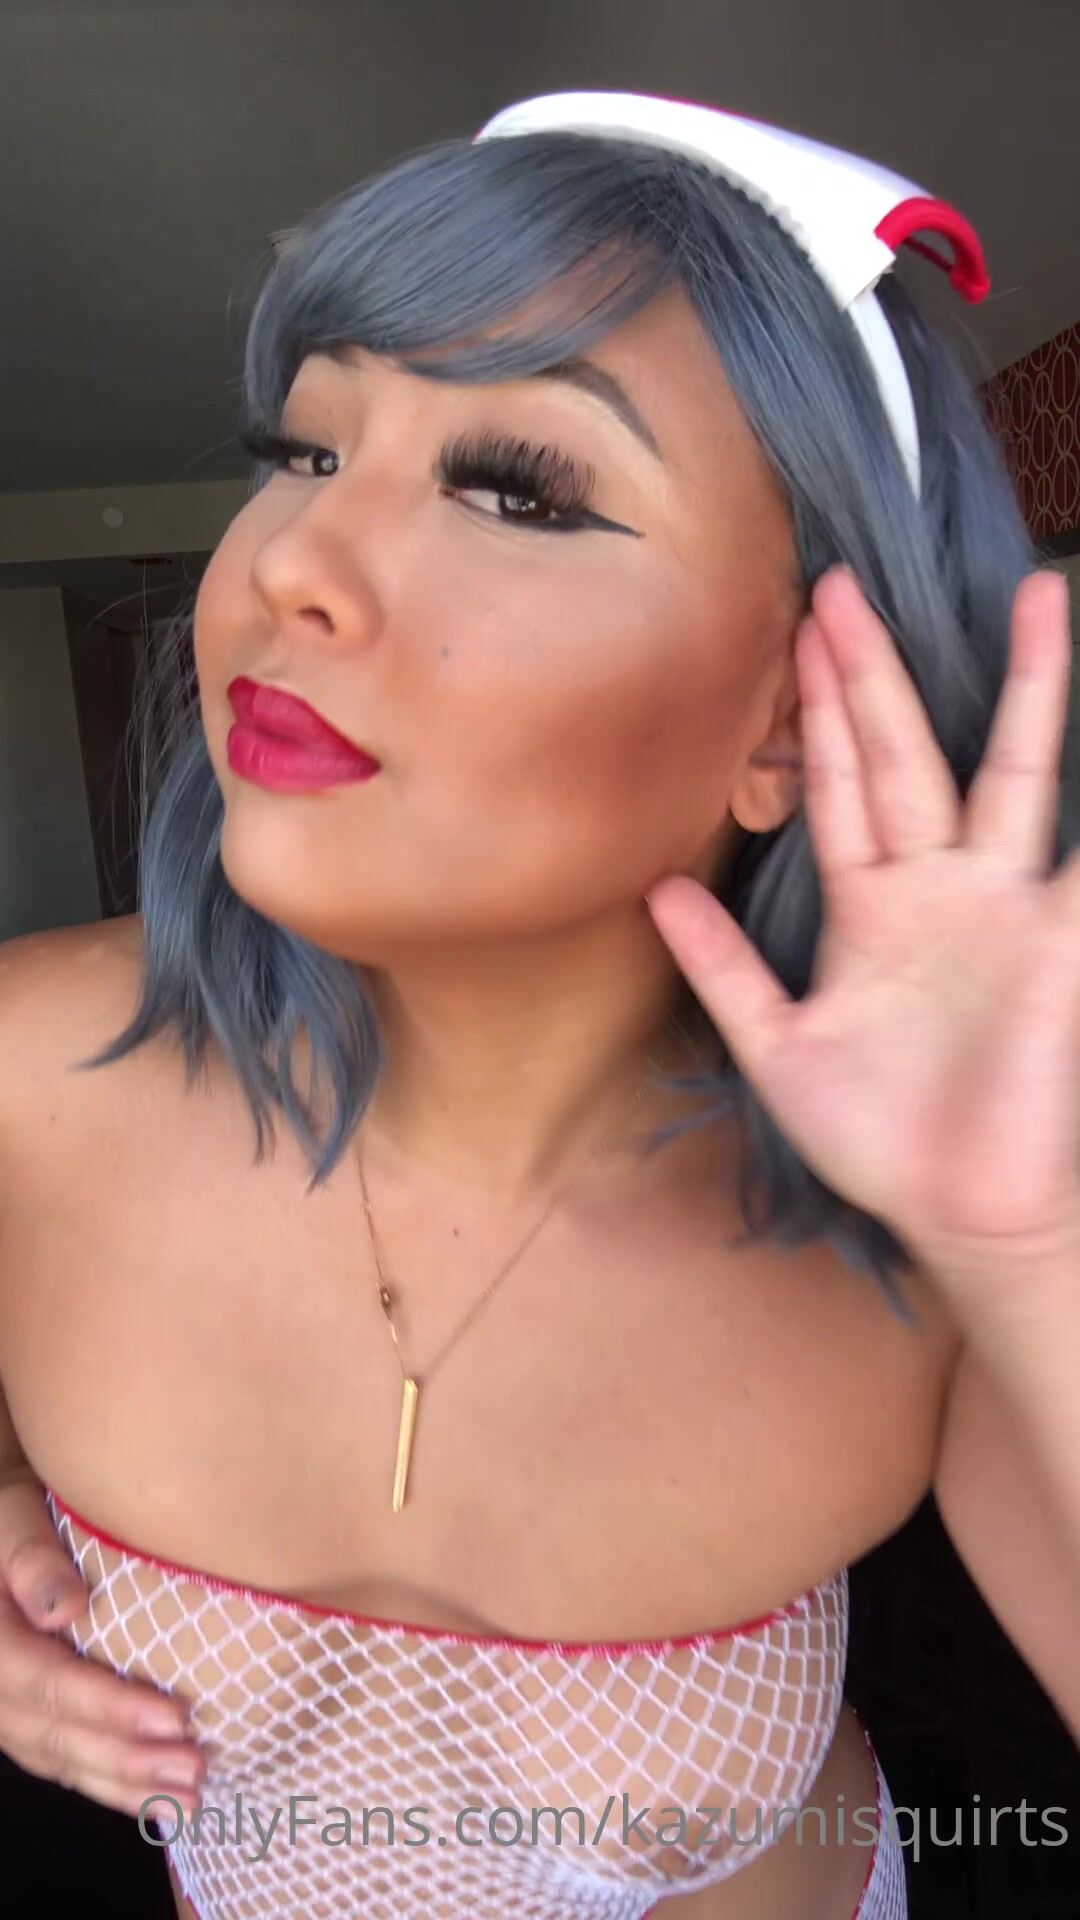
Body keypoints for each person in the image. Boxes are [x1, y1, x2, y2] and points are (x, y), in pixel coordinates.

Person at [0, 87, 1077, 1920]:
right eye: (305, 449)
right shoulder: (30, 1069)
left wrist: (1028, 1245)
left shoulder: (941, 1243)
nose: (284, 566)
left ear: (790, 720)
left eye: (520, 489)